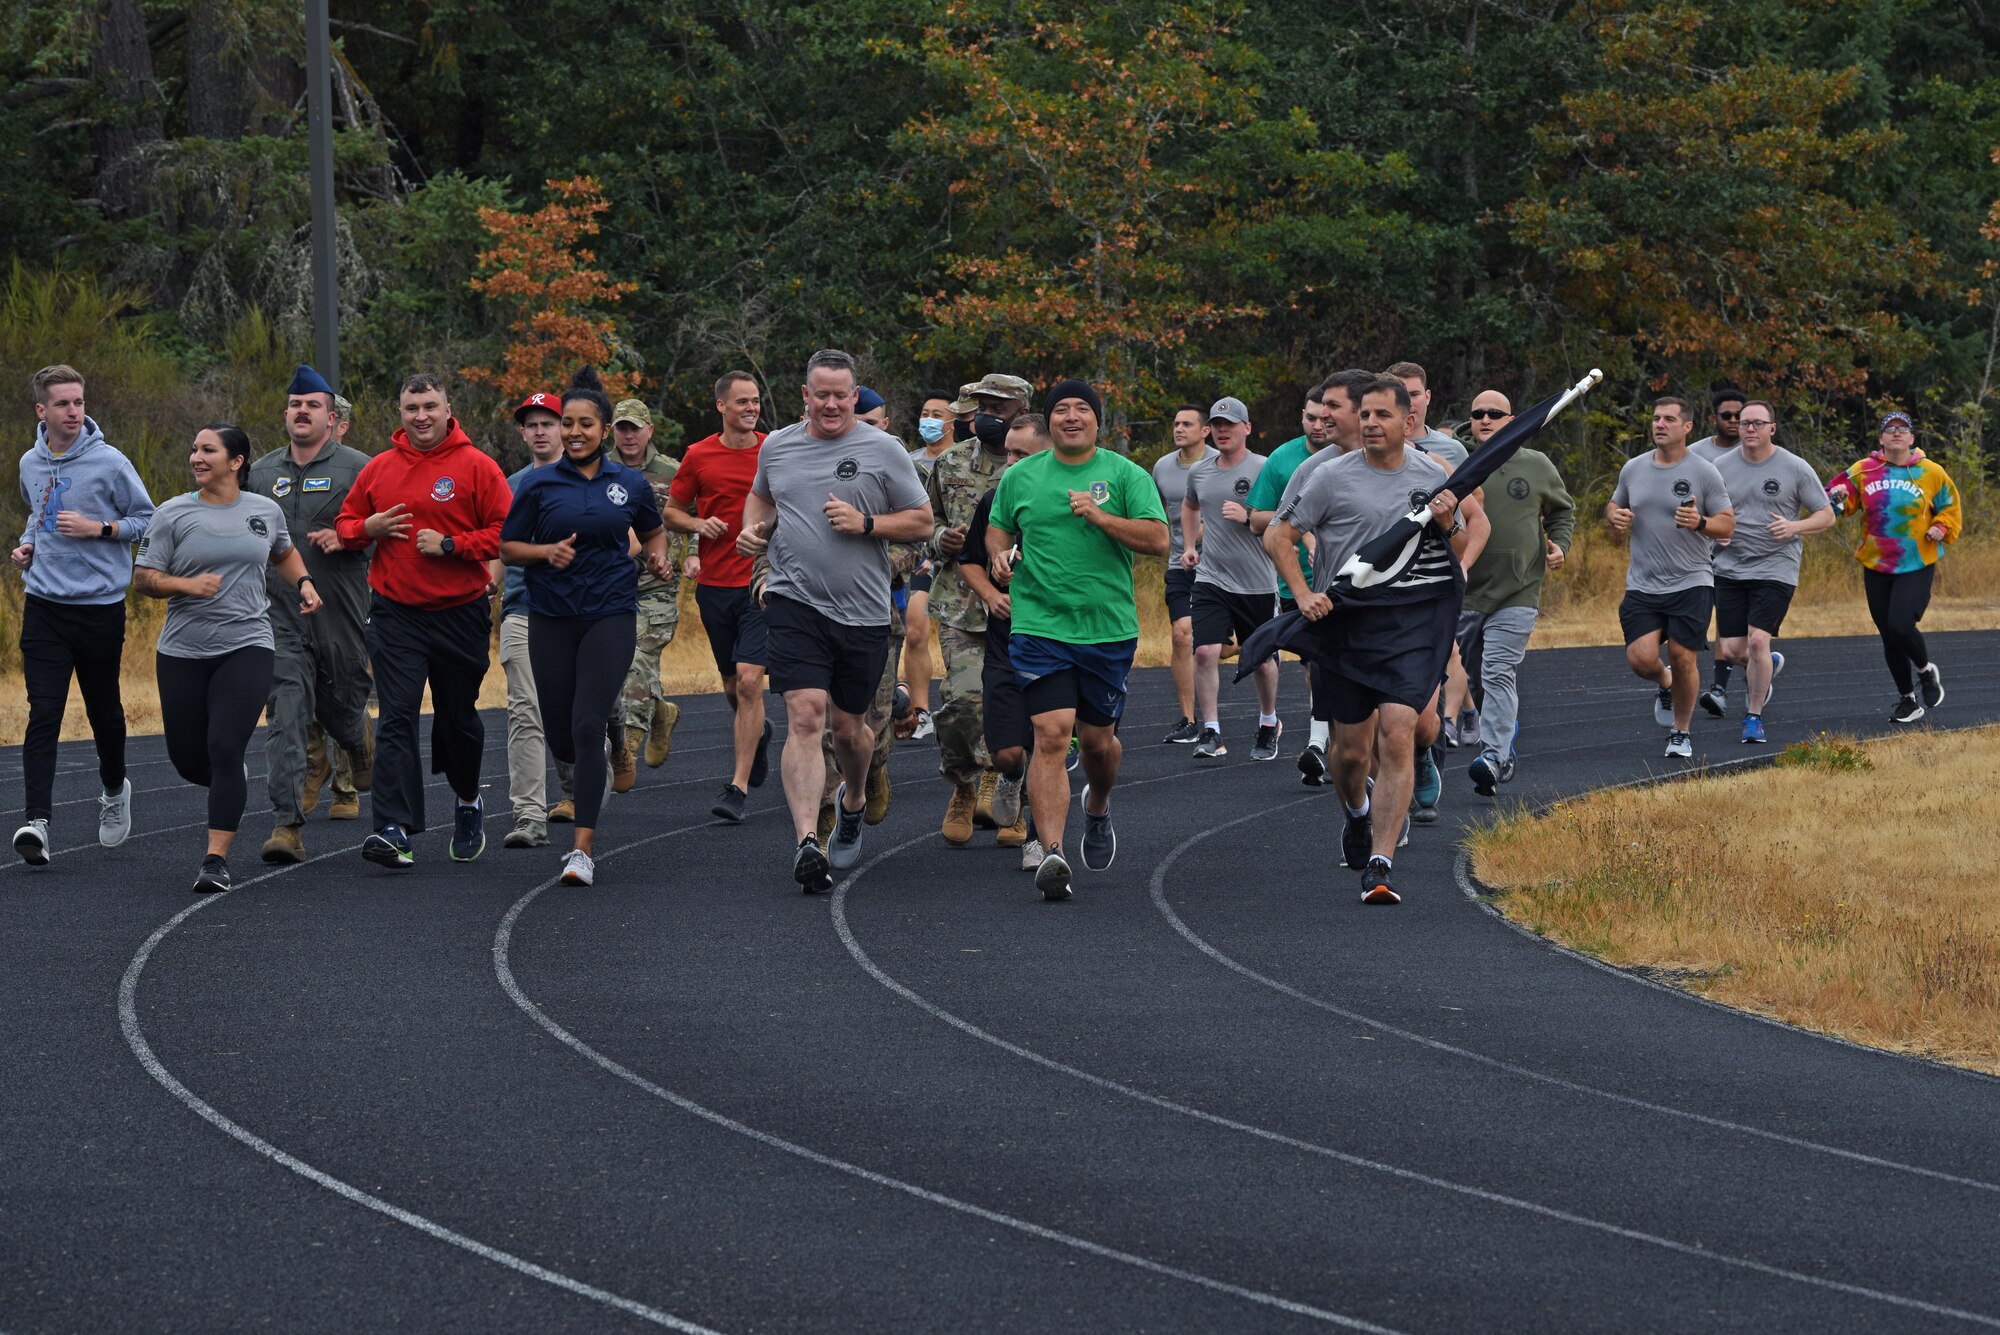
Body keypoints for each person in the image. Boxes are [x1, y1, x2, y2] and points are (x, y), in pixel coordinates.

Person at [1265, 378, 1468, 904]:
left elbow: (1461, 538)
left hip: (1407, 625)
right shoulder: (1330, 477)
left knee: (1399, 733)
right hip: (1344, 623)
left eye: (1383, 415)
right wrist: (1303, 592)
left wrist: (1447, 521)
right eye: (1367, 414)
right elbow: (1277, 536)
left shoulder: (1434, 473)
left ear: (1408, 422)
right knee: (1351, 754)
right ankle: (1356, 813)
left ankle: (1380, 863)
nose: (1373, 423)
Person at [737, 349, 933, 892]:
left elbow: (921, 522)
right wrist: (753, 530)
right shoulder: (777, 447)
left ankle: (853, 799)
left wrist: (867, 521)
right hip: (794, 602)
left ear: (854, 396)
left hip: (863, 612)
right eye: (819, 394)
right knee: (804, 716)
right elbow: (760, 499)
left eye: (839, 395)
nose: (829, 404)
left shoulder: (884, 449)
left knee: (851, 731)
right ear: (805, 394)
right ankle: (805, 839)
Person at [985, 379, 1168, 900]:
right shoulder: (1021, 476)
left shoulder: (1124, 474)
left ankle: (1098, 805)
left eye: (1081, 409)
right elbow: (998, 529)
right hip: (1039, 625)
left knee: (1096, 743)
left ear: (1096, 420)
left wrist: (1102, 516)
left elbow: (1158, 540)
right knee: (1049, 733)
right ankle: (1052, 852)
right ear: (1048, 421)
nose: (1071, 416)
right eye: (1060, 410)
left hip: (1107, 629)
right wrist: (1000, 554)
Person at [501, 369, 672, 886]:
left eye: (585, 424)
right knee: (560, 732)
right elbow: (509, 547)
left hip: (610, 614)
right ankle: (608, 740)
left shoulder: (630, 483)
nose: (574, 432)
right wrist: (545, 552)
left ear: (602, 431)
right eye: (567, 423)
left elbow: (653, 532)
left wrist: (660, 560)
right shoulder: (536, 484)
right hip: (550, 617)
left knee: (585, 723)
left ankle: (582, 849)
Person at [335, 373, 511, 868]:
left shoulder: (478, 466)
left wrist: (453, 545)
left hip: (460, 612)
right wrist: (366, 528)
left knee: (458, 720)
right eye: (411, 408)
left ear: (447, 408)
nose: (421, 416)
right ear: (400, 413)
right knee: (396, 717)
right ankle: (394, 829)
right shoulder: (378, 469)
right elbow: (346, 527)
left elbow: (506, 534)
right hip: (395, 614)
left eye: (429, 406)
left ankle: (468, 798)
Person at [134, 424, 320, 891]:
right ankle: (227, 777)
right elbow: (143, 578)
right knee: (188, 760)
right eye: (194, 449)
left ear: (236, 461)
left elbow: (284, 552)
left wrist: (304, 582)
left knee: (224, 747)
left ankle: (214, 861)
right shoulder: (171, 514)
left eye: (207, 450)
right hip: (183, 650)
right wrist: (185, 585)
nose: (196, 457)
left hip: (248, 644)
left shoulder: (264, 510)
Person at [10, 364, 154, 866]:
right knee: (43, 713)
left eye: (79, 402)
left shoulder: (110, 462)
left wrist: (100, 528)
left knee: (104, 714)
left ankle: (115, 789)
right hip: (44, 606)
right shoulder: (30, 462)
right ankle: (37, 822)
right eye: (64, 404)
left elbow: (148, 521)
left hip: (98, 609)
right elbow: (38, 512)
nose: (74, 412)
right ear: (41, 410)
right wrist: (28, 545)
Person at [252, 365, 375, 863]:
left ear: (332, 418)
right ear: (286, 414)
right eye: (295, 403)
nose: (302, 410)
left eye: (313, 404)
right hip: (278, 616)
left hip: (340, 613)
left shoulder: (361, 468)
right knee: (286, 716)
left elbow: (387, 530)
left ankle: (358, 737)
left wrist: (350, 534)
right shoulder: (259, 473)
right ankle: (286, 826)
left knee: (341, 709)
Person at [926, 372, 1033, 844]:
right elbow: (924, 520)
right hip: (963, 604)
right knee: (962, 704)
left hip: (1028, 610)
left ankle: (1012, 796)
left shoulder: (1040, 467)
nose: (988, 416)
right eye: (981, 407)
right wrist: (937, 538)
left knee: (1023, 712)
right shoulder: (949, 463)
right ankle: (965, 785)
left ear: (1021, 411)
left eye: (998, 408)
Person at [662, 371, 772, 824]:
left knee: (749, 681)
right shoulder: (699, 455)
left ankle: (738, 786)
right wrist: (697, 525)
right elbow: (671, 511)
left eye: (755, 401)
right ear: (721, 407)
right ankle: (758, 731)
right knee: (732, 685)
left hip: (764, 584)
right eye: (742, 402)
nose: (751, 408)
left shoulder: (775, 449)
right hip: (714, 586)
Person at [1456, 390, 1575, 795]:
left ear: (1512, 420)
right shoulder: (1457, 462)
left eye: (1495, 414)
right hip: (1468, 590)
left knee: (1497, 670)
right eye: (1477, 414)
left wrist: (1560, 546)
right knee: (1476, 676)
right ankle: (1502, 732)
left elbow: (1562, 511)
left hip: (1520, 589)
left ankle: (1494, 755)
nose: (1485, 419)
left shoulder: (1536, 464)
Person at [1694, 401, 1834, 742]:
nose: (1750, 429)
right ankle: (1765, 664)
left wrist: (1794, 526)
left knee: (1756, 641)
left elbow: (1826, 515)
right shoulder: (1718, 466)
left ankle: (1753, 717)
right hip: (1728, 568)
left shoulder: (1795, 467)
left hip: (1776, 567)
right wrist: (1713, 529)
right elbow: (1697, 512)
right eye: (1744, 423)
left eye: (1758, 423)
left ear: (1773, 427)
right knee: (1731, 651)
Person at [1606, 396, 1735, 759]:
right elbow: (1615, 503)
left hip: (1691, 580)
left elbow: (1728, 521)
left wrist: (1702, 523)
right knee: (1640, 658)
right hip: (1644, 583)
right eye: (1656, 418)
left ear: (1687, 427)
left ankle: (1681, 732)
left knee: (1683, 656)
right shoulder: (1633, 468)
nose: (1659, 424)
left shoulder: (1704, 472)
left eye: (1668, 419)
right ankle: (1665, 683)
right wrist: (1614, 515)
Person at [959, 415, 1055, 870]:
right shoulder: (996, 500)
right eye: (1008, 453)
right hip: (1006, 640)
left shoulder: (1067, 502)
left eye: (1022, 454)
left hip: (1059, 638)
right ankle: (1011, 778)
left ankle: (1039, 839)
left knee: (1048, 743)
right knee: (1006, 752)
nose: (1010, 462)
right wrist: (992, 595)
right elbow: (970, 561)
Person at [1826, 410, 1961, 723]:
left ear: (1912, 438)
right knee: (1888, 634)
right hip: (1876, 562)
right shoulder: (1863, 470)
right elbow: (1835, 497)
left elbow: (1951, 508)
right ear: (1881, 438)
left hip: (1915, 560)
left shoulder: (1931, 472)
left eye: (1903, 429)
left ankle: (1927, 672)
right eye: (1890, 429)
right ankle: (1907, 700)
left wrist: (1940, 526)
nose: (1896, 433)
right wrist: (1838, 496)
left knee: (1900, 625)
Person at [1245, 378, 1342, 779]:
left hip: (1346, 580)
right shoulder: (1285, 461)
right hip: (1296, 583)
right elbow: (1257, 520)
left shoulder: (1354, 458)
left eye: (1325, 417)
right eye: (1311, 417)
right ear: (1301, 417)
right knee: (1312, 665)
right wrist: (1302, 521)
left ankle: (1331, 742)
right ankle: (1321, 742)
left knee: (1339, 664)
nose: (1318, 424)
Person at [494, 391, 576, 847]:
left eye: (550, 422)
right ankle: (529, 816)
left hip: (580, 613)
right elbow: (499, 547)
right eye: (533, 424)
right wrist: (489, 582)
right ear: (523, 433)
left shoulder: (591, 478)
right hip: (524, 608)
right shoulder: (510, 485)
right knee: (525, 710)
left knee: (570, 714)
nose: (541, 431)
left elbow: (631, 542)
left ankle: (582, 781)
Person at [1182, 396, 1281, 760]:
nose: (1222, 431)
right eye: (1217, 426)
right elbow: (1191, 505)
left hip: (1257, 581)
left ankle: (1269, 722)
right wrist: (1191, 544)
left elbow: (1288, 517)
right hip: (1211, 577)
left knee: (1259, 659)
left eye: (1230, 425)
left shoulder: (1265, 468)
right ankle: (1211, 731)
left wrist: (1249, 518)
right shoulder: (1201, 471)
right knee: (1206, 651)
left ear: (1247, 428)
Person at [608, 398, 686, 789]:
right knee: (614, 668)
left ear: (649, 430)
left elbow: (694, 513)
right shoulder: (598, 470)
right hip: (608, 588)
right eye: (622, 427)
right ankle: (659, 711)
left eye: (635, 427)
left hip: (657, 587)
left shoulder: (673, 471)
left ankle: (627, 748)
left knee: (637, 659)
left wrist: (697, 557)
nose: (629, 435)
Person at [303, 390, 367, 820]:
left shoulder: (357, 467)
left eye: (341, 422)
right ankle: (312, 763)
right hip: (294, 598)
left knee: (343, 690)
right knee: (298, 687)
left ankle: (346, 788)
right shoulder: (280, 469)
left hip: (347, 595)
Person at [1152, 404, 1216, 741]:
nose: (1179, 429)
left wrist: (1203, 533)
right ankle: (1190, 720)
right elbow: (1160, 511)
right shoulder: (1162, 467)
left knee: (1217, 644)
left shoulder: (1221, 463)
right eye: (1176, 423)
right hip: (1180, 563)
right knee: (1181, 635)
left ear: (1204, 431)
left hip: (1221, 566)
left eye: (1187, 424)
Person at [900, 389, 959, 734]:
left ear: (953, 421)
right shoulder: (906, 461)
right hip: (919, 562)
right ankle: (920, 711)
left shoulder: (965, 460)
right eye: (925, 413)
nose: (929, 420)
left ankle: (963, 704)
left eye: (937, 415)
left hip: (956, 563)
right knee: (915, 630)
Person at [1385, 361, 1468, 467]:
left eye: (1414, 394)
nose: (1409, 402)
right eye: (1401, 395)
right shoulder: (1371, 447)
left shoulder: (1453, 450)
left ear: (1427, 397)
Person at [1690, 387, 1746, 462]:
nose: (1733, 420)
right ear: (1714, 419)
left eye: (1738, 416)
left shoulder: (1755, 449)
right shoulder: (1694, 452)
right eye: (1726, 416)